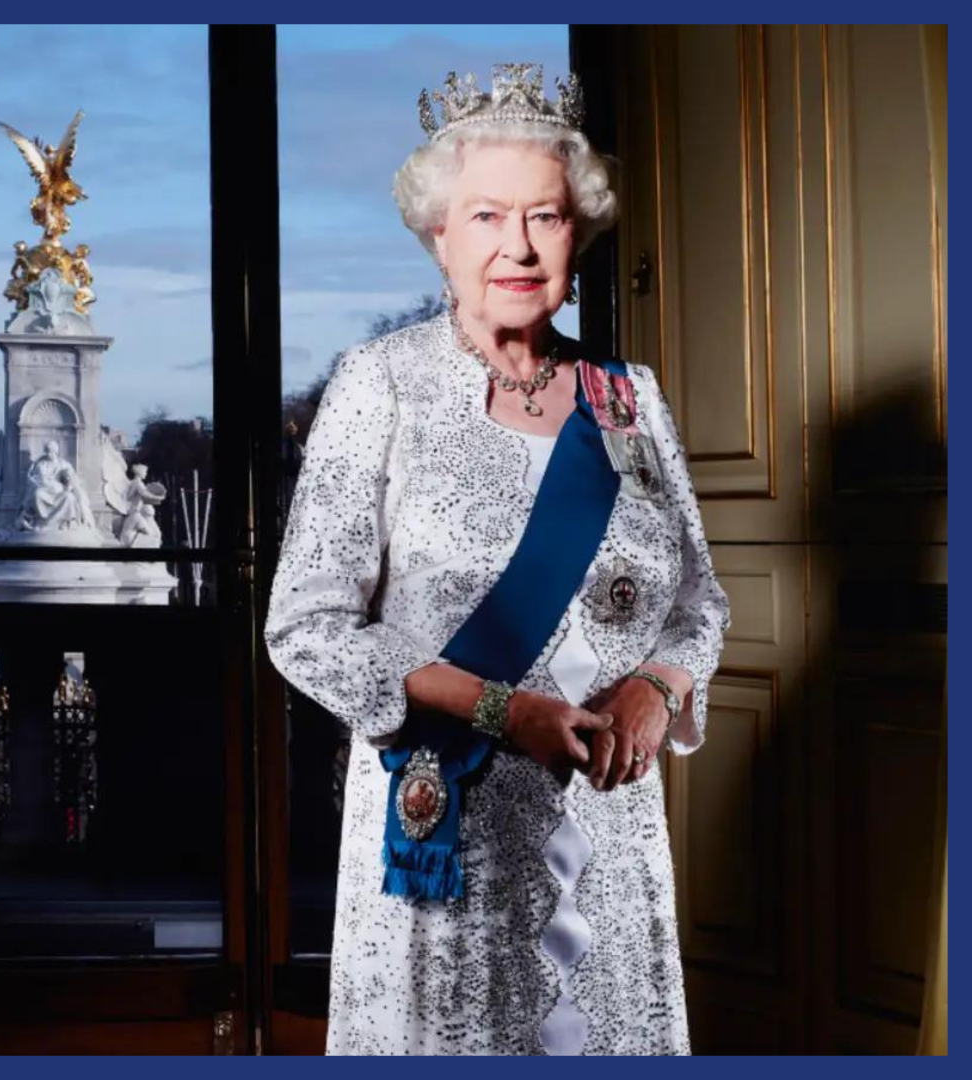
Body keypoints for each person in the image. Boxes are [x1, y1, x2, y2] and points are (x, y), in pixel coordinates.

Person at [265, 62, 730, 1056]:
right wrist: (501, 710)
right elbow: (305, 629)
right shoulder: (379, 384)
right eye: (486, 217)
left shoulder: (626, 398)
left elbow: (701, 602)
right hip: (455, 827)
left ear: (580, 233)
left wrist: (656, 683)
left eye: (546, 218)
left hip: (610, 826)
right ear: (440, 235)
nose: (517, 246)